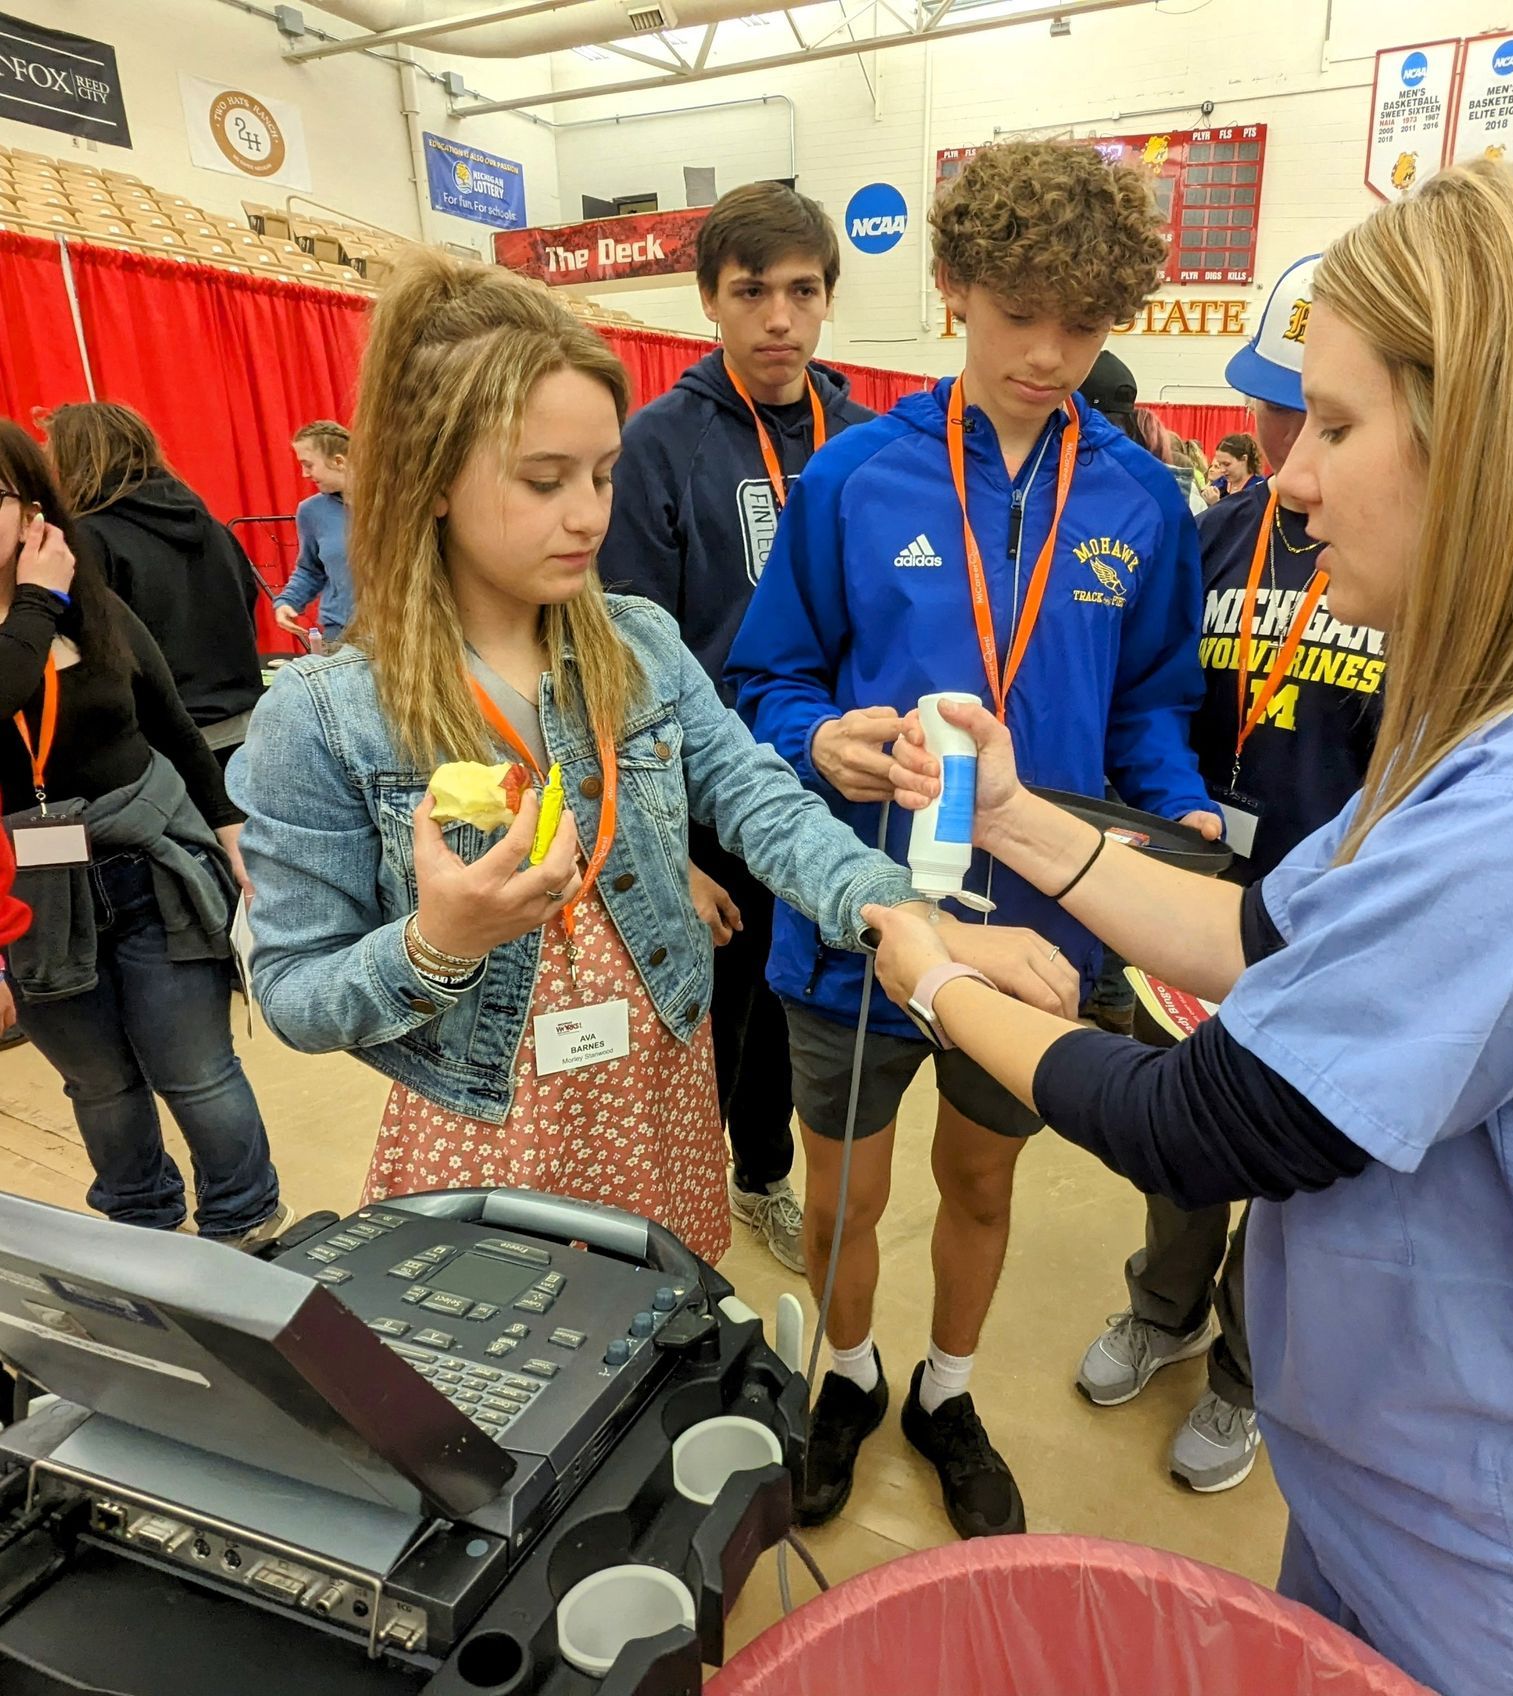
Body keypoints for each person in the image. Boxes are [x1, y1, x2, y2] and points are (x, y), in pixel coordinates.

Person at [860, 157, 1513, 1694]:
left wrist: (930, 972)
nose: (1290, 481)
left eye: (1333, 425)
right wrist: (1013, 820)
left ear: (1507, 442)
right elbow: (1272, 937)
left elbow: (1212, 1119)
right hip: (1445, 1514)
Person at [229, 253, 1071, 1267]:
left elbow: (763, 804)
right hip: (483, 1114)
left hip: (658, 1083)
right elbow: (294, 990)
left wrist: (907, 916)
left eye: (603, 474)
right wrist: (435, 944)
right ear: (430, 477)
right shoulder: (325, 717)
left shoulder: (640, 645)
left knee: (664, 1321)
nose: (590, 513)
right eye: (545, 481)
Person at [728, 138, 1220, 1543]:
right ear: (953, 289)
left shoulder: (1138, 500)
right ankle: (850, 1375)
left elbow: (1150, 711)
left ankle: (946, 1392)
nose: (1052, 355)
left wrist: (1177, 806)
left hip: (1038, 933)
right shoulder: (853, 477)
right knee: (843, 1189)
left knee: (983, 1176)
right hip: (861, 916)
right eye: (1021, 315)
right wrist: (819, 738)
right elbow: (768, 681)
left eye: (1087, 324)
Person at [1076, 252, 1385, 1495]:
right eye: (1275, 403)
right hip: (1198, 898)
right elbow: (1152, 704)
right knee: (1183, 1122)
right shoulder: (1210, 537)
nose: (1289, 439)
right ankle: (1164, 1306)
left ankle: (1249, 1375)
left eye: (1325, 416)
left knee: (1291, 1165)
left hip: (1332, 919)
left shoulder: (1405, 560)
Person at [600, 183, 876, 1274]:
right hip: (706, 794)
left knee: (790, 1015)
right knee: (698, 1021)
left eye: (802, 291)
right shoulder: (658, 444)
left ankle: (760, 1177)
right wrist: (665, 845)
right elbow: (624, 655)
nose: (779, 319)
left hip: (830, 790)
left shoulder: (869, 443)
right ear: (708, 299)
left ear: (829, 298)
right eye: (751, 292)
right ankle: (669, 1221)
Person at [0, 421, 283, 1244]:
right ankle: (140, 1234)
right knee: (101, 1086)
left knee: (197, 1071)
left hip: (148, 865)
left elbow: (171, 724)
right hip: (30, 896)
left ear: (33, 510)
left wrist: (228, 829)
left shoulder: (93, 606)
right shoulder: (43, 607)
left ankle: (247, 1224)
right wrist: (34, 602)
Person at [43, 402, 263, 738]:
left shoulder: (87, 539)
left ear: (70, 459)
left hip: (165, 737)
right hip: (245, 724)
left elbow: (92, 650)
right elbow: (246, 610)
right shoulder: (212, 527)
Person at [273, 420, 355, 650]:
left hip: (403, 632)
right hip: (341, 635)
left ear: (338, 461)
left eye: (308, 465)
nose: (304, 474)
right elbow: (310, 569)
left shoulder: (395, 503)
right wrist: (288, 601)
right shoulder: (311, 511)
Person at [1201, 431, 1261, 507]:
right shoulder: (1220, 483)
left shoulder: (1258, 489)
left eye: (1227, 464)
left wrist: (1216, 505)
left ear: (1244, 459)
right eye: (1220, 464)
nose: (1222, 470)